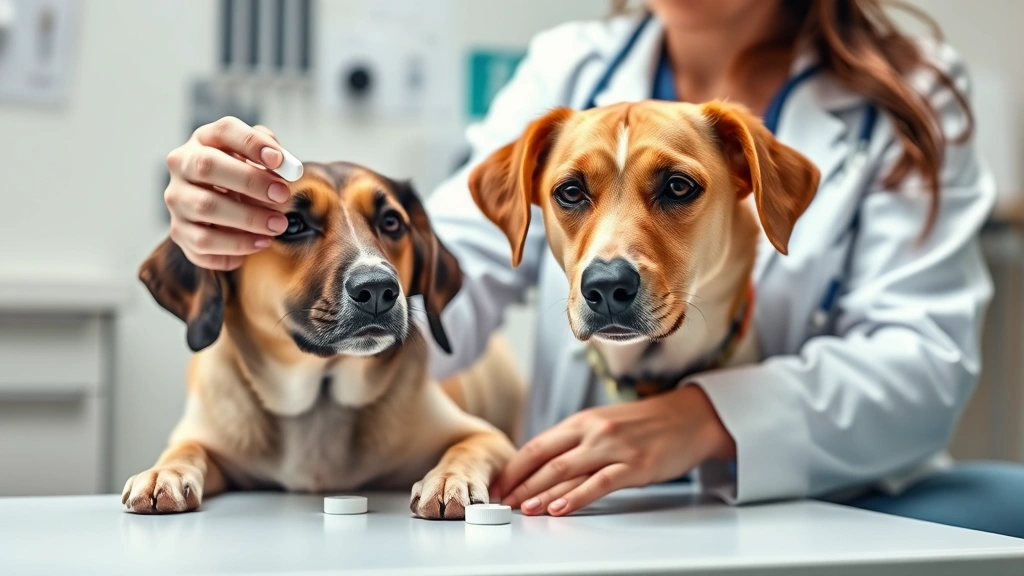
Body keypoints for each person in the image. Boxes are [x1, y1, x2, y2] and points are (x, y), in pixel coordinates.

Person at [160, 0, 1024, 537]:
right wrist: (255, 228)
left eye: (678, 189)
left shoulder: (910, 97)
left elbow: (925, 360)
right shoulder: (565, 69)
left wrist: (702, 422)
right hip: (577, 517)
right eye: (570, 197)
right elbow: (439, 278)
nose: (608, 263)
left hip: (824, 508)